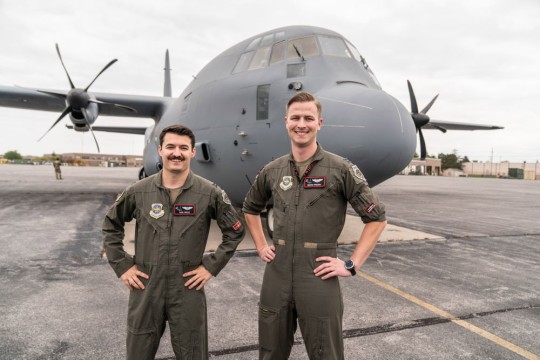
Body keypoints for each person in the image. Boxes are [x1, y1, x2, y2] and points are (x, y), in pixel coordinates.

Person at [242, 92, 387, 360]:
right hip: (277, 274)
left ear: (320, 123)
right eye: (295, 117)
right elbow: (250, 208)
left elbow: (376, 218)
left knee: (326, 353)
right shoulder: (273, 170)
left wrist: (351, 264)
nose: (301, 124)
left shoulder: (340, 169)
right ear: (286, 122)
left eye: (309, 118)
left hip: (319, 274)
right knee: (270, 352)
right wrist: (262, 245)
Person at [102, 125, 245, 359]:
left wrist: (210, 266)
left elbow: (235, 231)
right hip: (146, 286)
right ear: (160, 150)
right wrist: (122, 265)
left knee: (193, 353)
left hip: (187, 286)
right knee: (138, 351)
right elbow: (110, 224)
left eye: (183, 148)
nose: (176, 153)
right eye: (170, 147)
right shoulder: (139, 191)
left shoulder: (209, 193)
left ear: (192, 153)